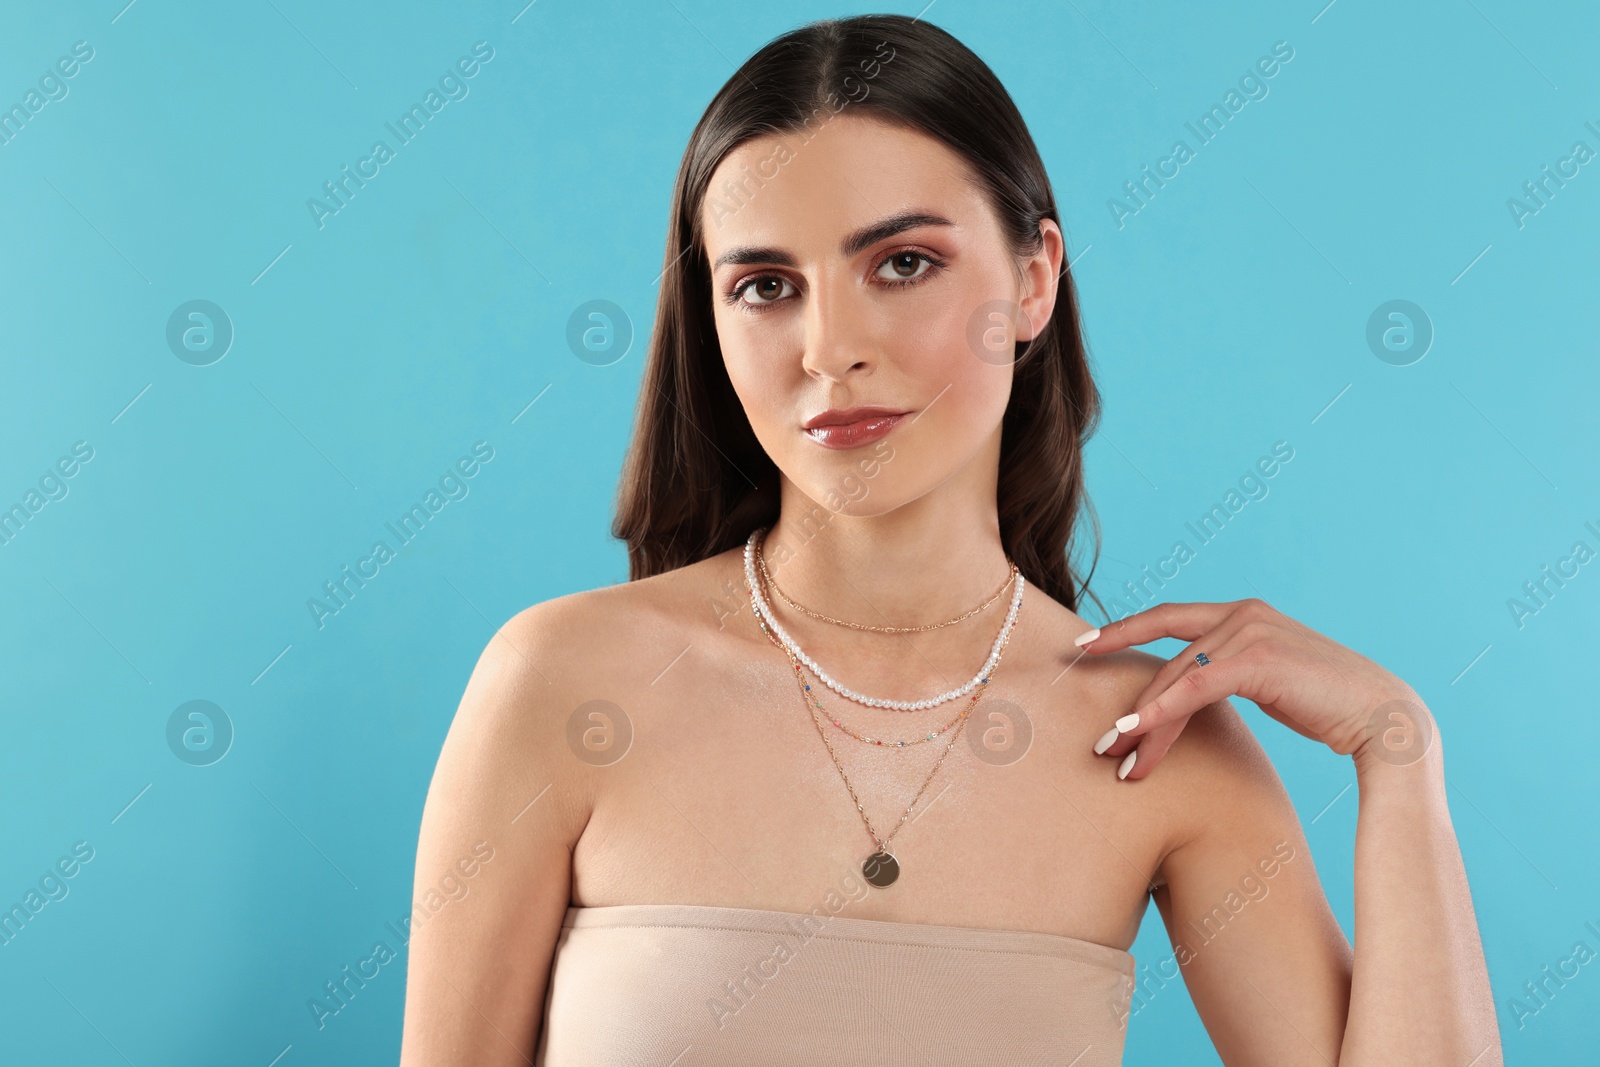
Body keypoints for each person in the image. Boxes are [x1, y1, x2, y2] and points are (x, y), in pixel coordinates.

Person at [399, 14, 1499, 1065]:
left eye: (902, 263)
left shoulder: (1153, 743)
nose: (830, 348)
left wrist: (1397, 746)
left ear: (1031, 279)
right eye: (766, 286)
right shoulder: (559, 686)